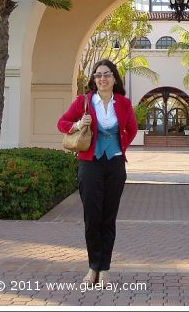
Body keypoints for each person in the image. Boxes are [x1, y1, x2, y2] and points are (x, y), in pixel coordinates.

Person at [57, 59, 138, 284]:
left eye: (107, 74)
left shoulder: (123, 103)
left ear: (114, 78)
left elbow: (131, 129)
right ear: (94, 80)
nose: (102, 78)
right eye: (98, 75)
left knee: (108, 218)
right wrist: (77, 125)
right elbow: (61, 123)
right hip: (90, 164)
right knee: (92, 218)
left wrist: (120, 146)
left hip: (115, 165)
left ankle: (105, 269)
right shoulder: (83, 101)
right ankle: (93, 266)